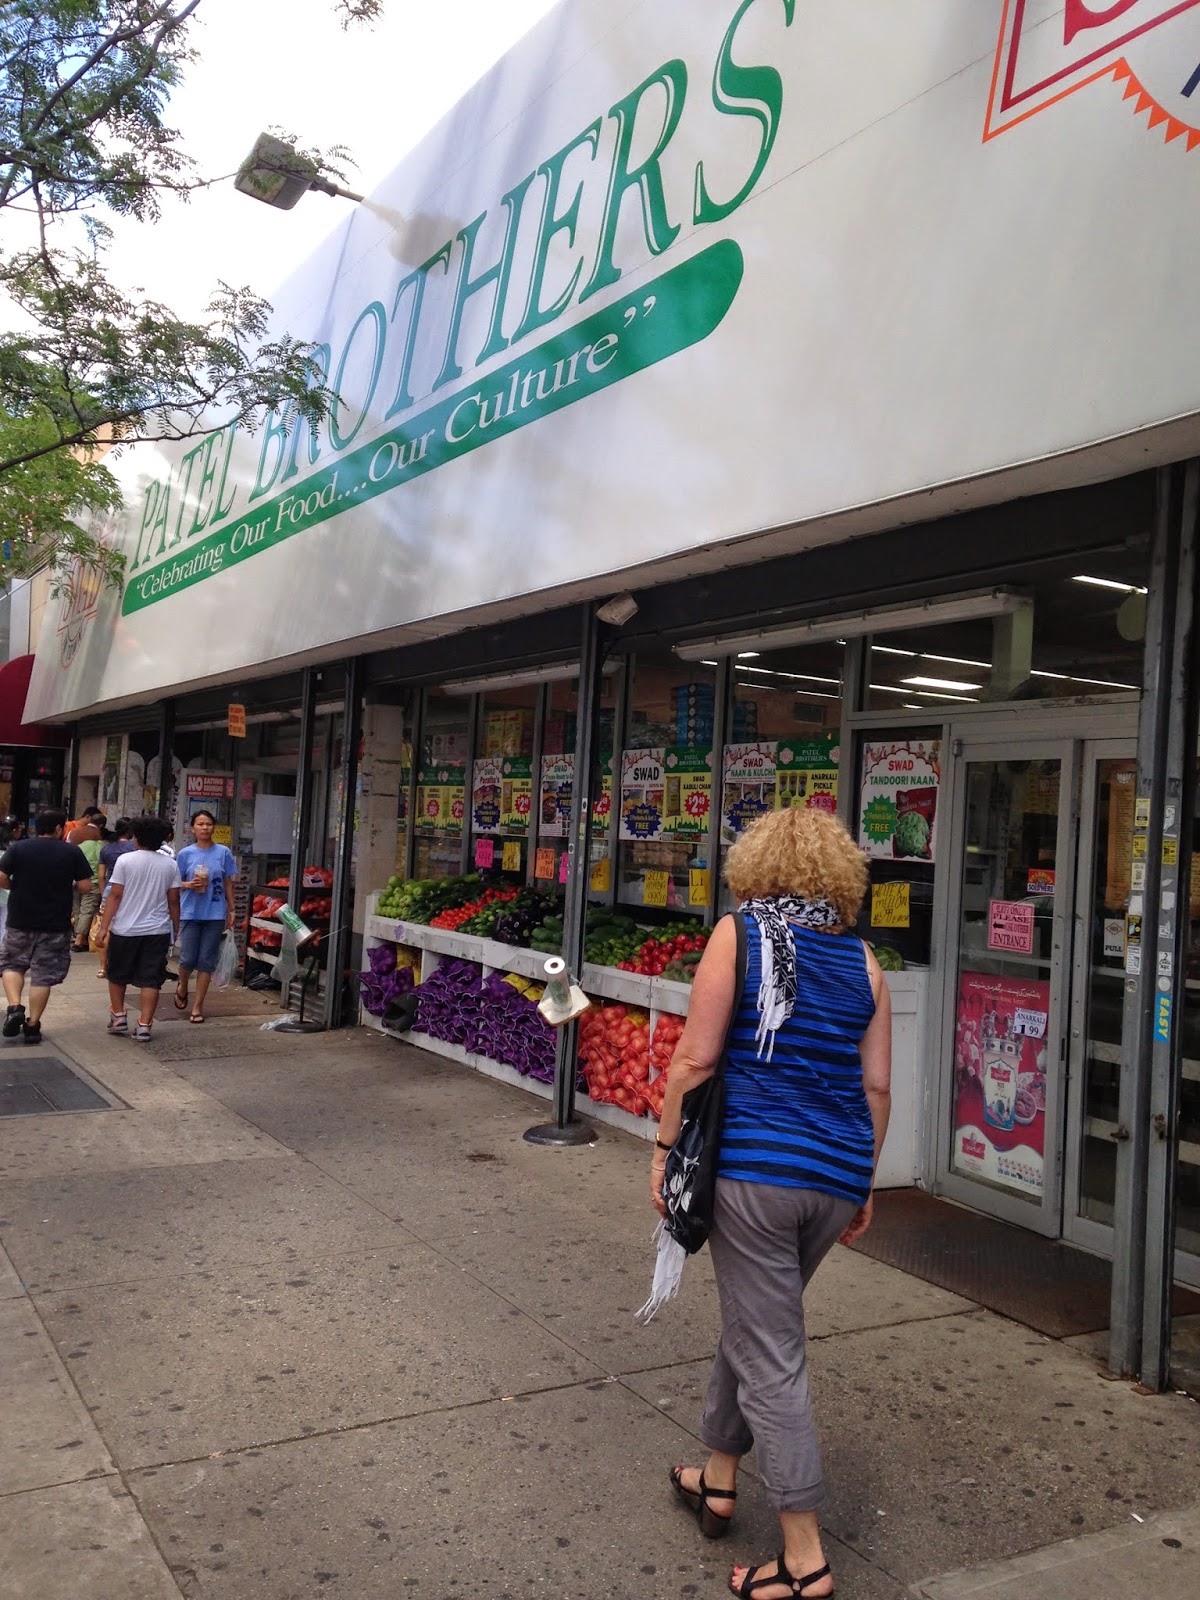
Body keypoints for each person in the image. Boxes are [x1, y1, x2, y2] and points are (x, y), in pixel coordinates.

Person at [653, 808, 892, 1600]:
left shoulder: (740, 934)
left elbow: (696, 1055)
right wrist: (859, 1184)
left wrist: (664, 1150)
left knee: (772, 1354)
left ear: (754, 866)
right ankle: (717, 1476)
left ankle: (804, 1557)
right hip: (832, 1177)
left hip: (755, 1173)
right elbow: (877, 1086)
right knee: (759, 1325)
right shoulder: (864, 962)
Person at [0, 809, 94, 1045]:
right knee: (43, 975)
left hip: (20, 919)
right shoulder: (71, 852)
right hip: (55, 924)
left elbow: (0, 876)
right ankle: (32, 1026)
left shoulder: (19, 848)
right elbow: (85, 886)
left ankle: (14, 1006)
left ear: (36, 828)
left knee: (12, 963)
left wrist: (15, 886)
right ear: (60, 829)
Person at [95, 813, 181, 1041]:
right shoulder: (170, 865)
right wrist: (176, 926)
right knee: (151, 978)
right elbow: (174, 900)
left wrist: (103, 928)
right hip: (157, 930)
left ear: (136, 838)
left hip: (125, 929)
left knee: (117, 974)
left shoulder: (125, 861)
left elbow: (115, 896)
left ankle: (118, 1015)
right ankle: (144, 1024)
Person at [174, 810, 237, 1023]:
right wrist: (188, 885)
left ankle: (198, 1007)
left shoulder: (224, 852)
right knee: (188, 958)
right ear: (192, 828)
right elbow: (174, 883)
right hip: (190, 911)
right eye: (200, 824)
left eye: (208, 824)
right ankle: (182, 985)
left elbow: (228, 882)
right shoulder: (185, 854)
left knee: (206, 961)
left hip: (215, 912)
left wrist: (232, 908)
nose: (204, 828)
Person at [95, 818, 136, 979]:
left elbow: (100, 875)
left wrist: (103, 892)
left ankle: (103, 967)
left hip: (110, 889)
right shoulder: (134, 848)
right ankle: (126, 965)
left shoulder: (106, 849)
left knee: (105, 929)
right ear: (130, 832)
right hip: (130, 890)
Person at [69, 811, 106, 952]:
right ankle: (79, 940)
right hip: (93, 882)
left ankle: (79, 936)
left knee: (77, 910)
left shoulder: (79, 844)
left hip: (76, 881)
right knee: (87, 910)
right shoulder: (101, 847)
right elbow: (102, 868)